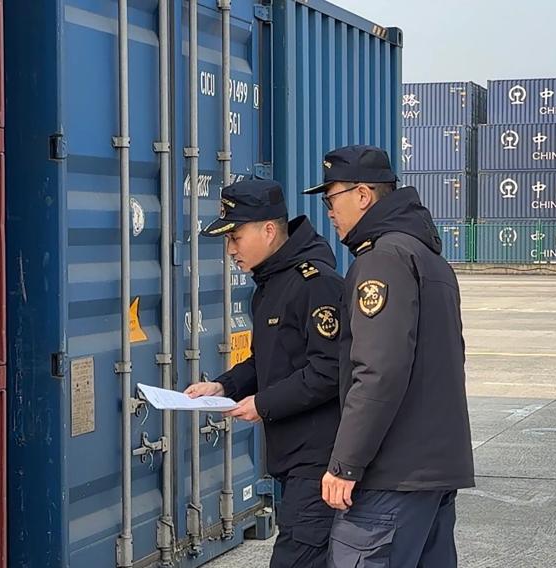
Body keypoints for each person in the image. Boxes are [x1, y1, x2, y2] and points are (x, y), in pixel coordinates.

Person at [303, 145, 475, 567]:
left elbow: (379, 370)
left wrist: (345, 463)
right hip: (432, 471)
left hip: (393, 474)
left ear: (363, 195)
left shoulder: (382, 260)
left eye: (331, 198)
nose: (329, 211)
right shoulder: (427, 257)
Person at [185, 178, 343, 568]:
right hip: (292, 458)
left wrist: (263, 404)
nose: (230, 249)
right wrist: (222, 385)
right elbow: (267, 361)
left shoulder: (316, 284)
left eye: (235, 237)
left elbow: (329, 370)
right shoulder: (270, 286)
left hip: (318, 460)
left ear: (269, 230)